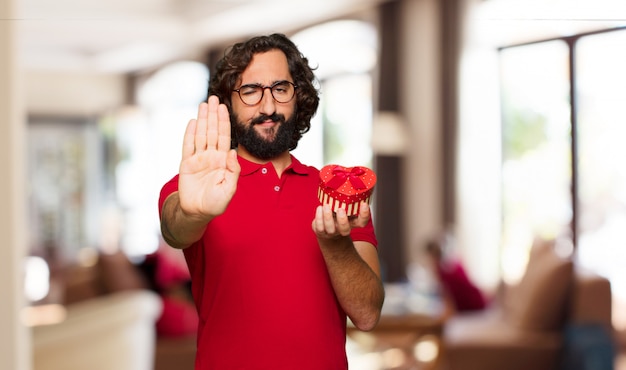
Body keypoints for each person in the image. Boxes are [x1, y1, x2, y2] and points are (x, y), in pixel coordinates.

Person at [158, 33, 384, 370]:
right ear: (227, 103)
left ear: (299, 97)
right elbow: (176, 229)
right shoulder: (199, 186)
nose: (268, 107)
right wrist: (193, 212)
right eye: (250, 92)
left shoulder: (334, 193)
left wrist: (336, 245)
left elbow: (367, 315)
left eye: (281, 89)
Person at [424, 231, 487, 314]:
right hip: (476, 299)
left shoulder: (442, 269)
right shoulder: (453, 261)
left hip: (472, 303)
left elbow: (446, 296)